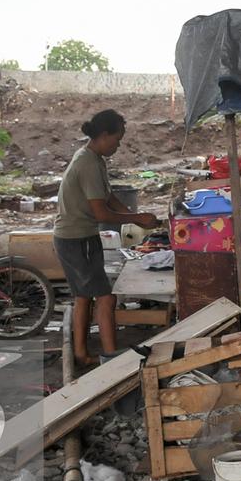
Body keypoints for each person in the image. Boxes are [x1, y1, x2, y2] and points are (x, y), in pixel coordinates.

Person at [53, 110, 160, 366]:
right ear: (103, 135)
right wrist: (136, 219)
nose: (118, 144)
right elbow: (101, 212)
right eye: (117, 139)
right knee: (105, 297)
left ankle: (80, 353)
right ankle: (111, 357)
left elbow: (108, 198)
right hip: (77, 239)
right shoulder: (88, 163)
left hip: (73, 237)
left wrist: (136, 216)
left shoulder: (94, 158)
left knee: (82, 297)